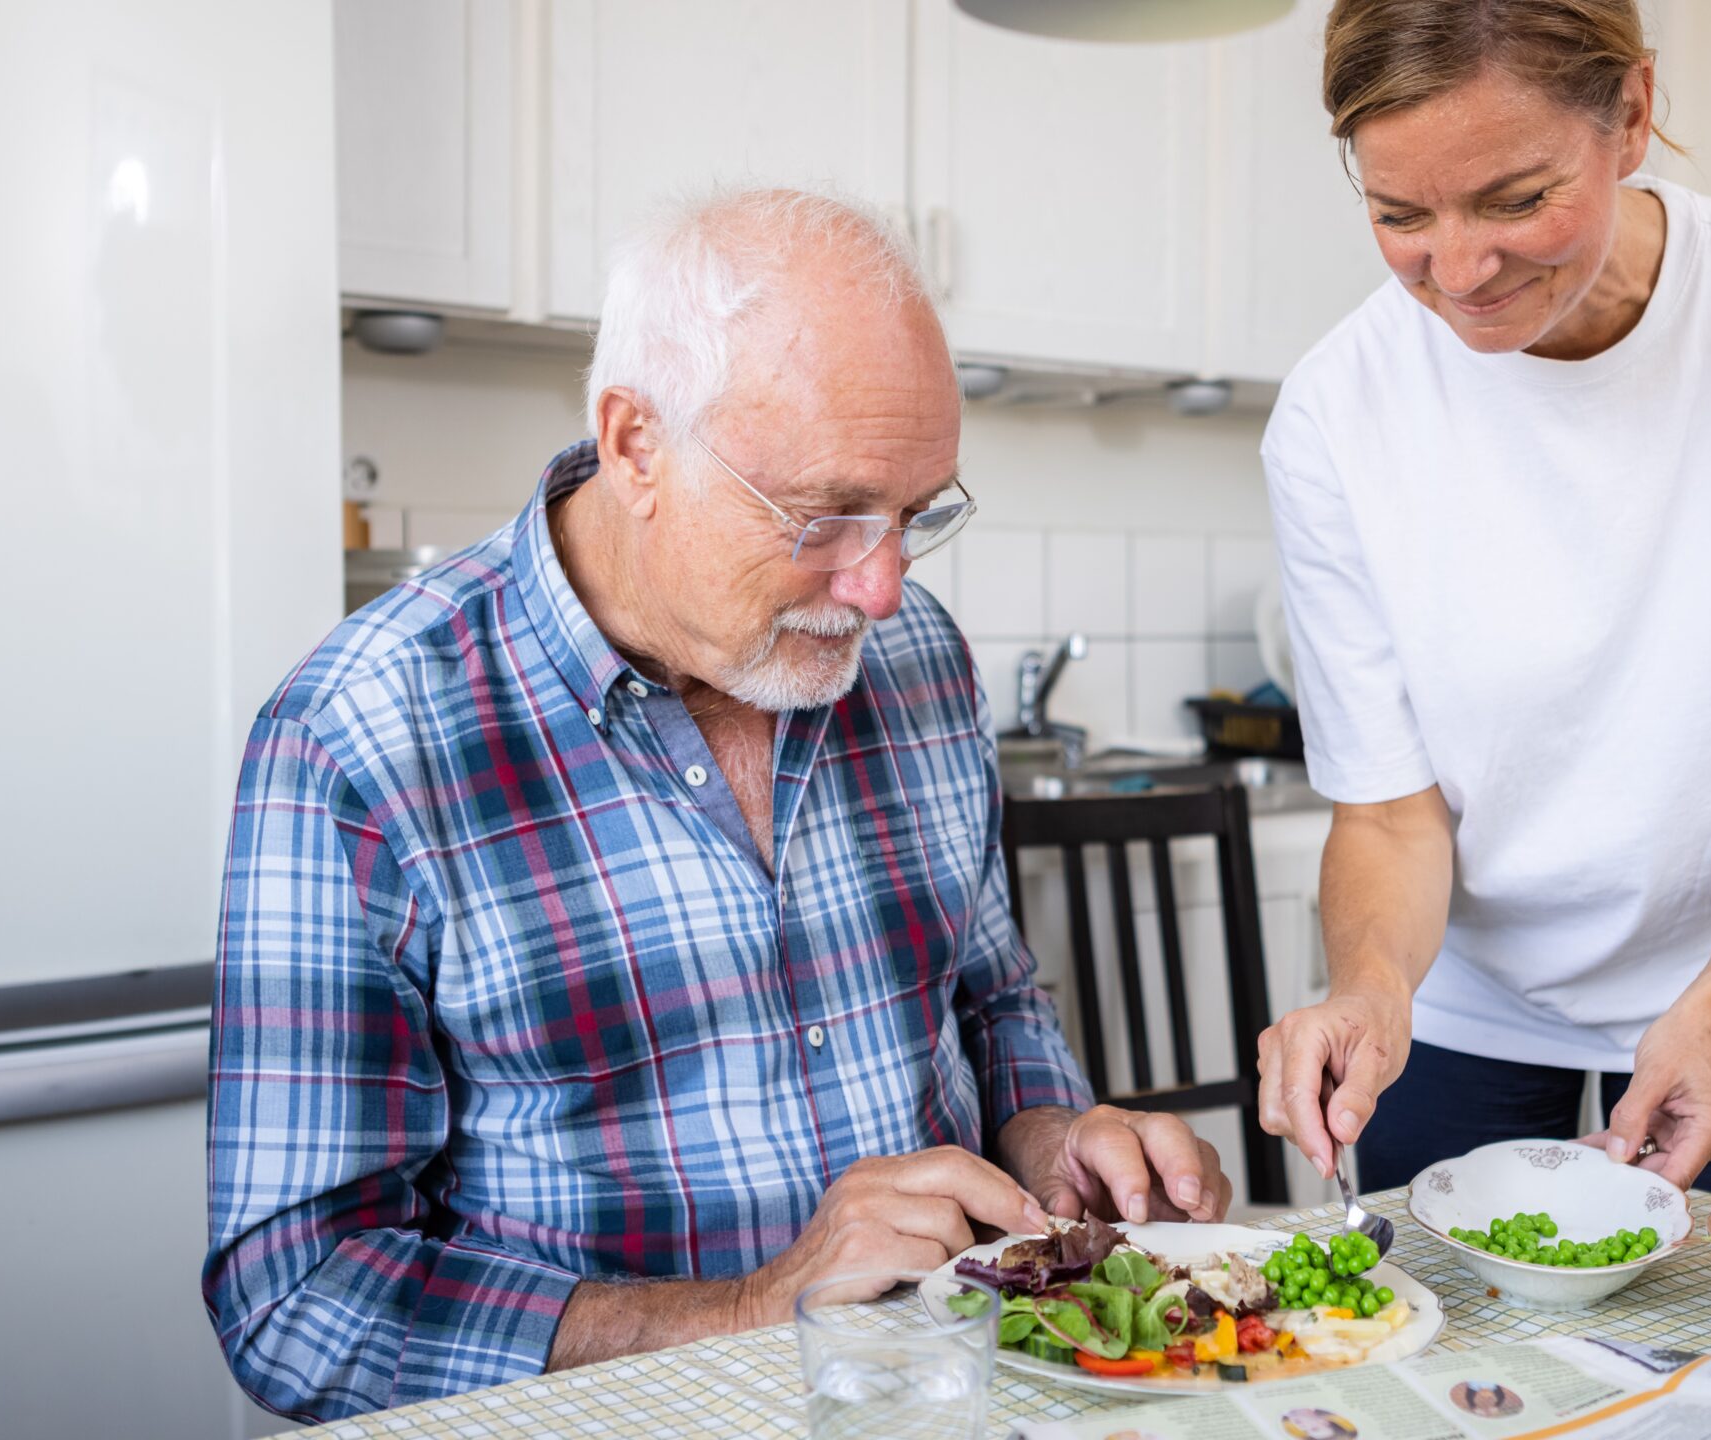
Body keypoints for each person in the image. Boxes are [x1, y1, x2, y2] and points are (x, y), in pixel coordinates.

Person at [204, 189, 1232, 1421]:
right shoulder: (360, 740)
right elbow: (299, 1300)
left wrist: (1052, 1135)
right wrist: (762, 1302)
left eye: (916, 515)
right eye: (827, 516)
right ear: (637, 443)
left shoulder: (914, 663)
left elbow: (990, 992)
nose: (884, 587)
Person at [1253, 0, 1711, 1196]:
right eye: (1399, 215)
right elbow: (1390, 815)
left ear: (1635, 115)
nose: (1458, 271)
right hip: (1464, 1003)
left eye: (1513, 199)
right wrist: (1369, 990)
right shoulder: (1338, 412)